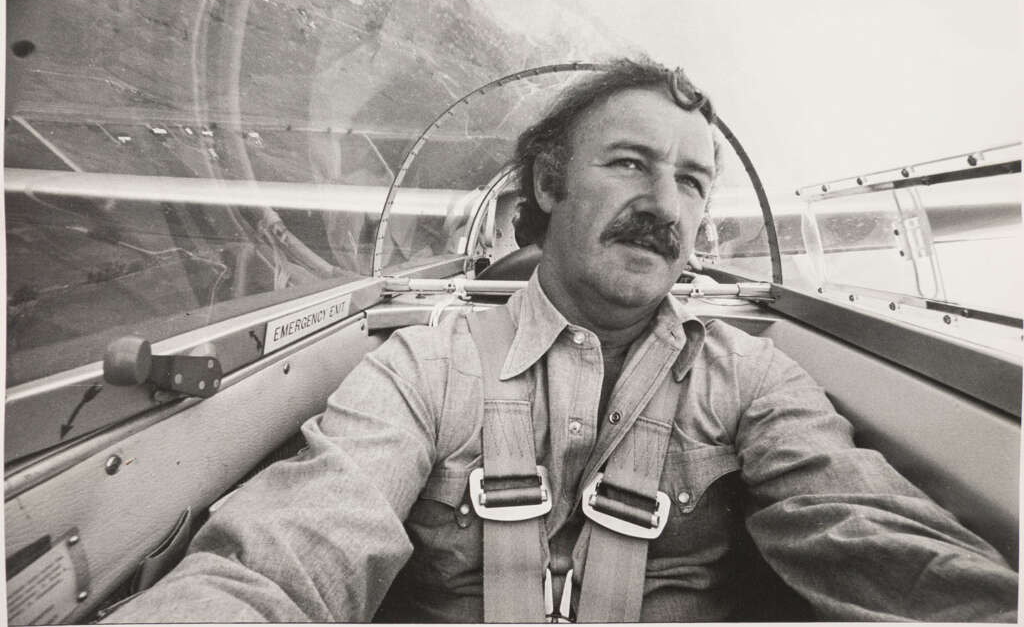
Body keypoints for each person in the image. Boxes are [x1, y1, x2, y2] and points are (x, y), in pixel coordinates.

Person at [103, 59, 1018, 623]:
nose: (665, 205)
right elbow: (288, 559)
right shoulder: (426, 367)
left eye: (693, 183)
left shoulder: (753, 377)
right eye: (631, 164)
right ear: (547, 183)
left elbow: (883, 547)